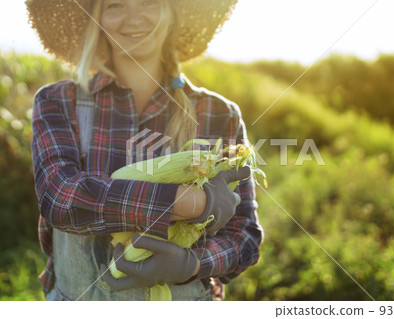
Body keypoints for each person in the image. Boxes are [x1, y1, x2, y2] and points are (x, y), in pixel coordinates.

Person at [27, 0, 263, 301]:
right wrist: (192, 202)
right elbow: (60, 197)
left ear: (171, 12)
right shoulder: (58, 101)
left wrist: (191, 265)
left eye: (149, 2)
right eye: (115, 5)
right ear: (97, 17)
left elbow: (245, 236)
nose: (133, 18)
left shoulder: (218, 113)